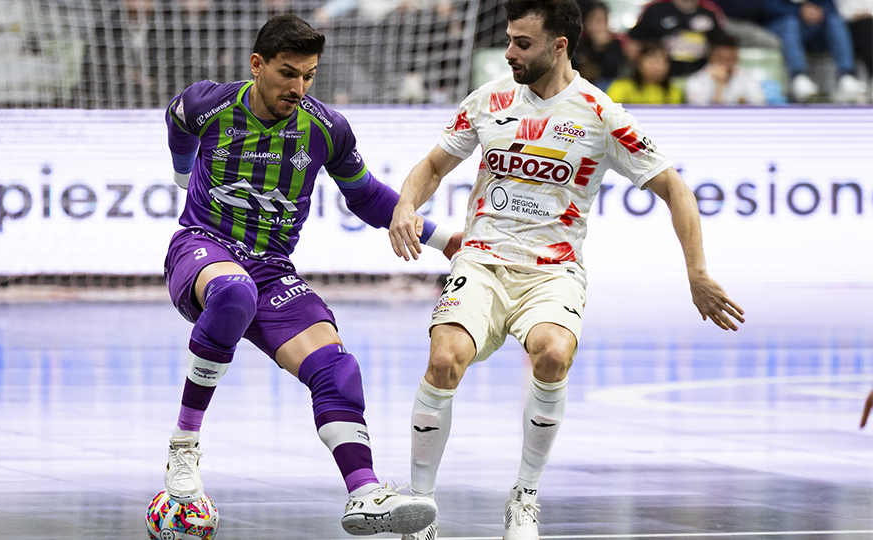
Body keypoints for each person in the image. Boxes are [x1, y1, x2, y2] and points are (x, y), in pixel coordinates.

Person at [387, 1, 746, 539]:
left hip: (553, 273)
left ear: (559, 45)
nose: (509, 52)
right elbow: (433, 166)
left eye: (522, 43)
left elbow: (676, 189)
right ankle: (420, 507)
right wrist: (404, 206)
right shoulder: (489, 100)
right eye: (509, 39)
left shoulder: (600, 115)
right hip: (483, 261)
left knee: (554, 354)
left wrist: (696, 272)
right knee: (443, 361)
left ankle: (525, 497)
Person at [162, 14, 456, 536]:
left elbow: (364, 195)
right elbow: (176, 121)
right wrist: (183, 173)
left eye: (309, 76)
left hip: (272, 271)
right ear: (257, 65)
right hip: (203, 248)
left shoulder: (326, 127)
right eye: (287, 73)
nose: (298, 87)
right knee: (233, 293)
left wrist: (441, 239)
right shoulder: (211, 104)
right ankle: (183, 449)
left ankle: (365, 494)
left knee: (336, 367)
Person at [762, 0, 866, 102]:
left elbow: (830, 5)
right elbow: (768, 7)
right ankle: (798, 77)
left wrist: (820, 11)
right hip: (782, 24)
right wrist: (799, 11)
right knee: (790, 22)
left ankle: (846, 76)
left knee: (835, 21)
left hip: (814, 27)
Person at [627, 0, 729, 78]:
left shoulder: (710, 12)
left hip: (699, 78)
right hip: (662, 80)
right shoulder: (655, 10)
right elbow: (634, 44)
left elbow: (720, 48)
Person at [685, 33, 767, 104]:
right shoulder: (696, 81)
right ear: (711, 58)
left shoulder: (749, 77)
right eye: (721, 60)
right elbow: (704, 116)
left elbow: (759, 107)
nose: (727, 65)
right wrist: (719, 86)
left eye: (731, 59)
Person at [607, 40, 685, 104]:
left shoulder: (674, 92)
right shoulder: (621, 88)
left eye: (663, 61)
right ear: (639, 63)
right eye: (653, 61)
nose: (658, 67)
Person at [573, 1, 627, 89]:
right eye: (593, 19)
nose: (597, 25)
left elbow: (614, 71)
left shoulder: (616, 44)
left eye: (601, 20)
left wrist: (602, 48)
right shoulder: (577, 44)